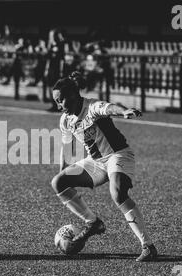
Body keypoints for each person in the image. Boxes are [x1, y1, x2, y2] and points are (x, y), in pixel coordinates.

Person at [50, 71, 157, 262]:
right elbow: (66, 147)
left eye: (61, 100)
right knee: (59, 182)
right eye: (56, 102)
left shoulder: (91, 107)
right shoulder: (66, 120)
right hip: (97, 163)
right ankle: (93, 223)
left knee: (117, 193)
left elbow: (108, 108)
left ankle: (147, 246)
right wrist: (63, 171)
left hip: (118, 155)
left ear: (73, 96)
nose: (59, 106)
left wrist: (123, 112)